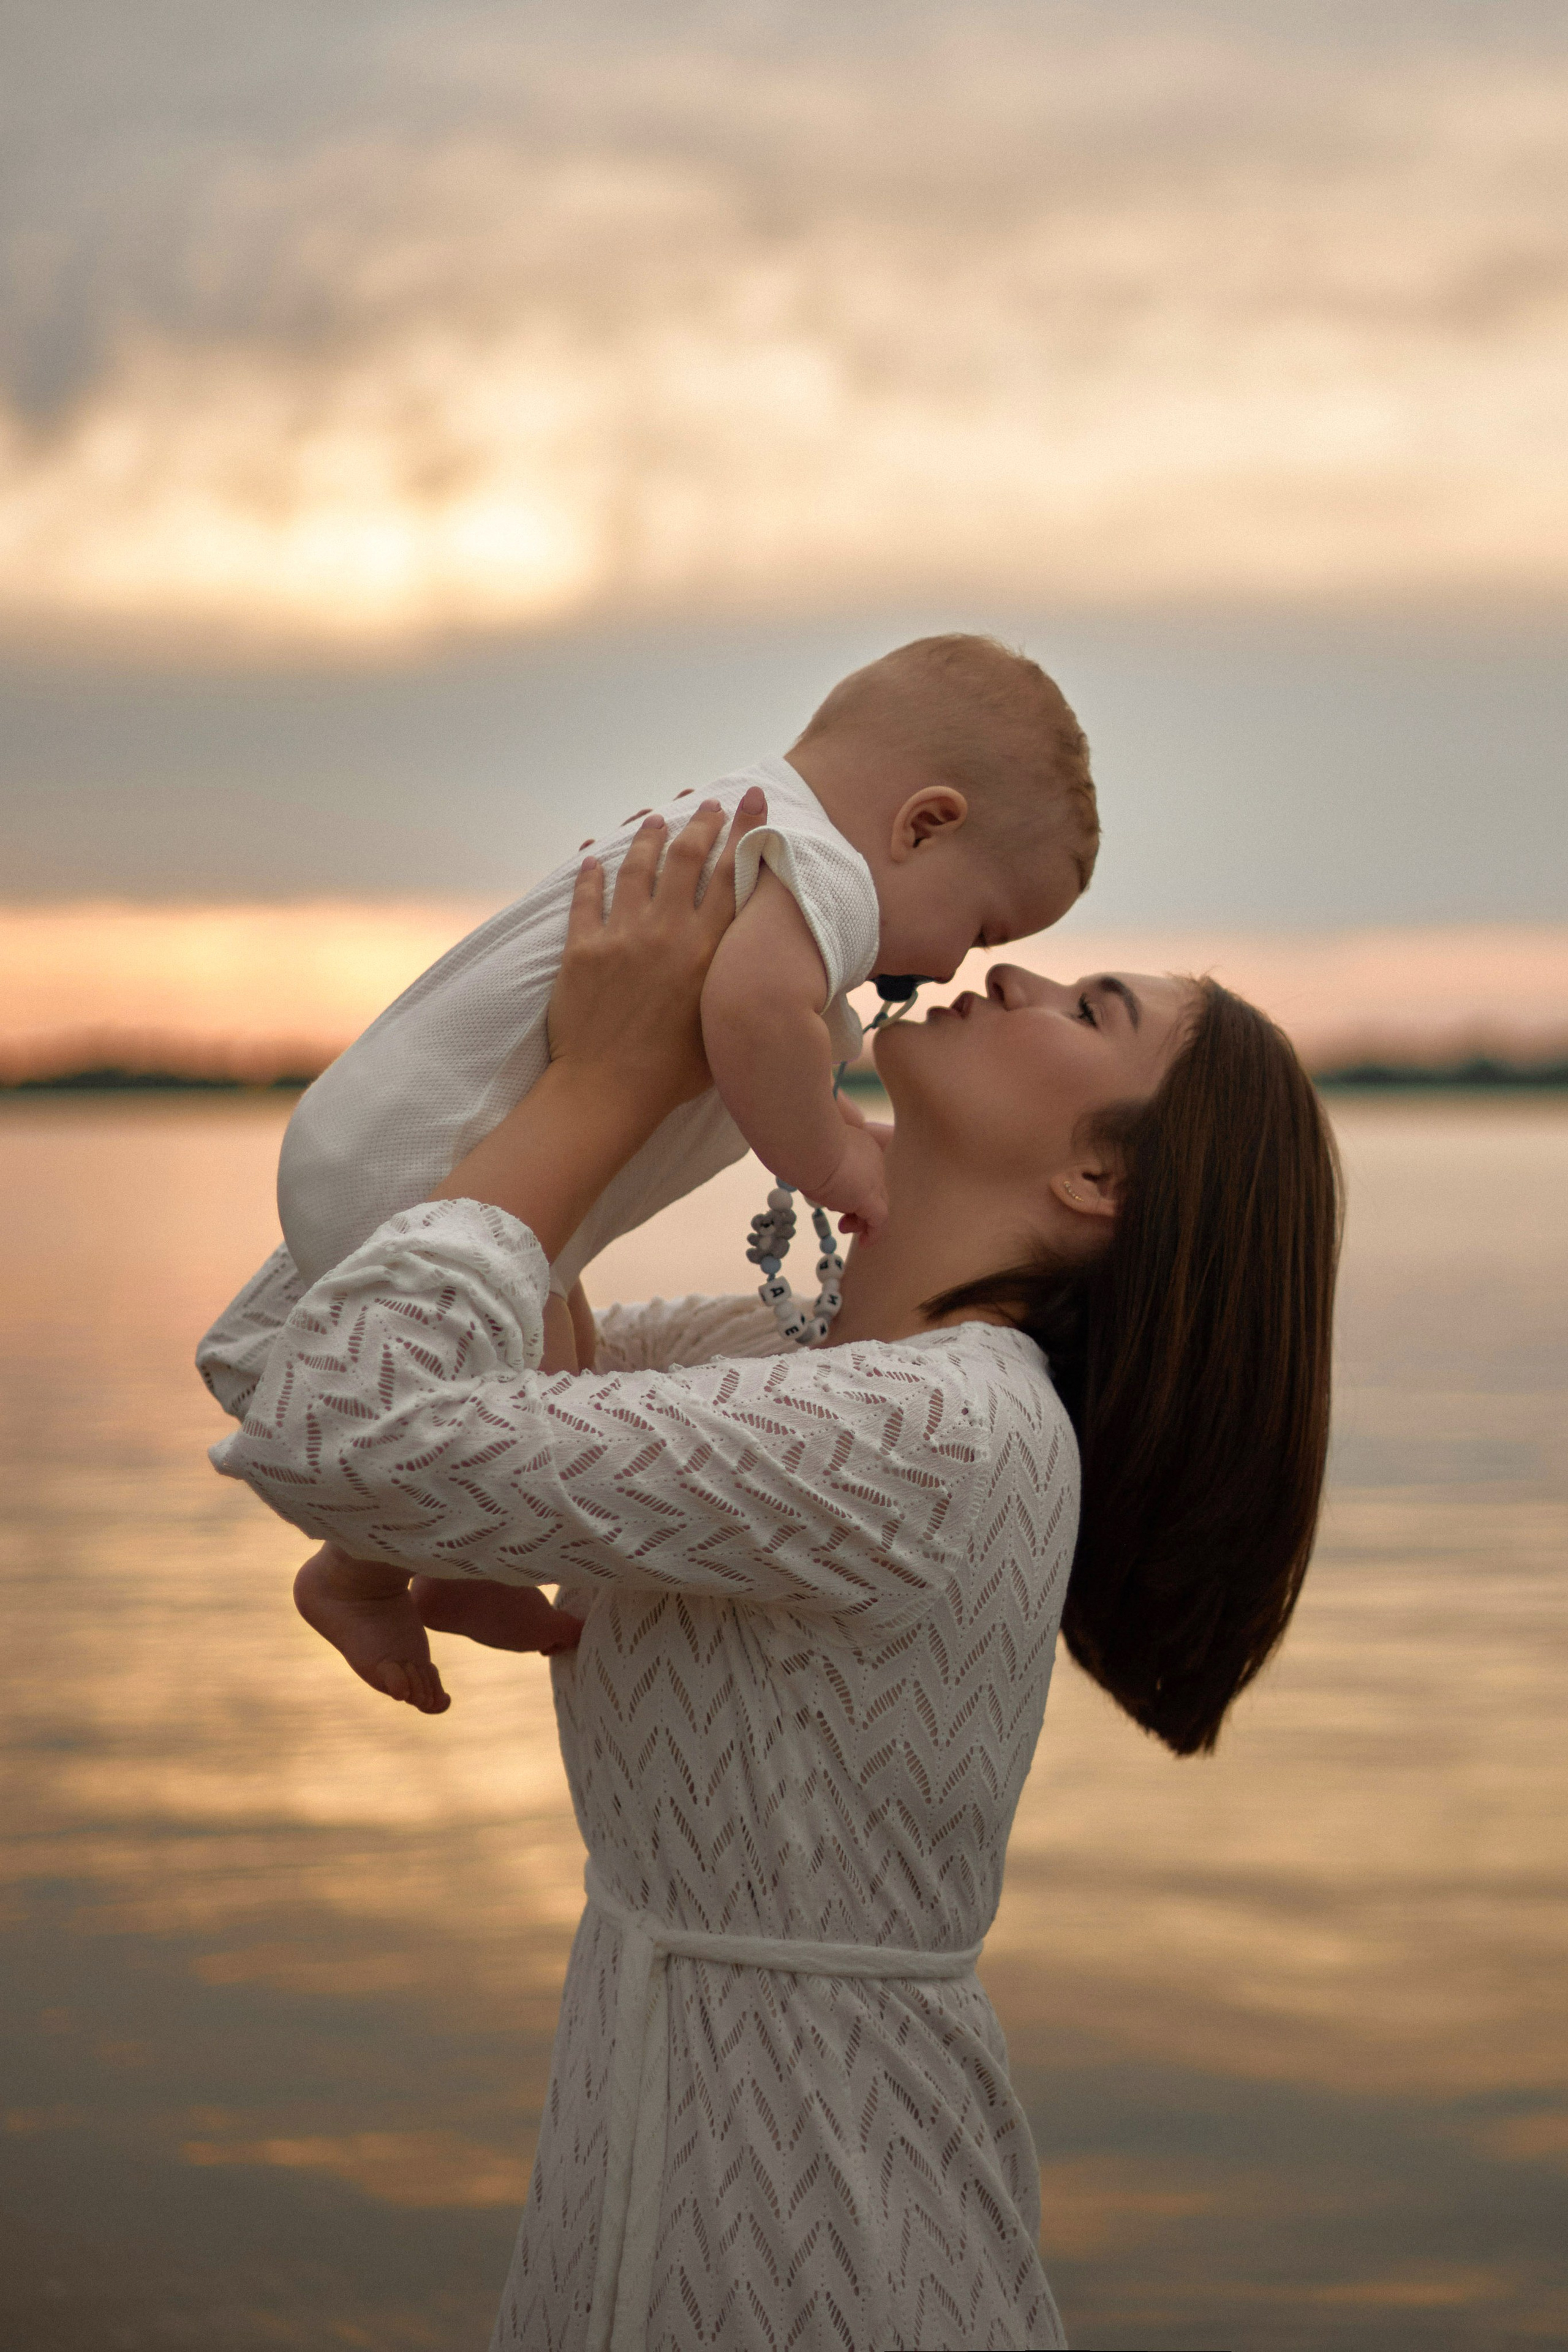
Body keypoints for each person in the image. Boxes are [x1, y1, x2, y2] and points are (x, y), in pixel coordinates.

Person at [198, 800, 1340, 2351]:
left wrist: (606, 1083)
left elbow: (348, 1430)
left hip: (832, 2240)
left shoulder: (935, 1433)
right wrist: (598, 1058)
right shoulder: (797, 1362)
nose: (1016, 980)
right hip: (655, 2166)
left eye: (1091, 1011)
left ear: (1097, 1177)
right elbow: (298, 1367)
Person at [268, 633, 1096, 1695]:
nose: (948, 967)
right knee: (526, 1387)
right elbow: (754, 1012)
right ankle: (430, 1563)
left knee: (551, 1359)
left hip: (380, 1149)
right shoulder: (827, 872)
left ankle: (402, 1571)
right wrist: (831, 1153)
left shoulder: (736, 821)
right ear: (925, 824)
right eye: (980, 927)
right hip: (429, 1174)